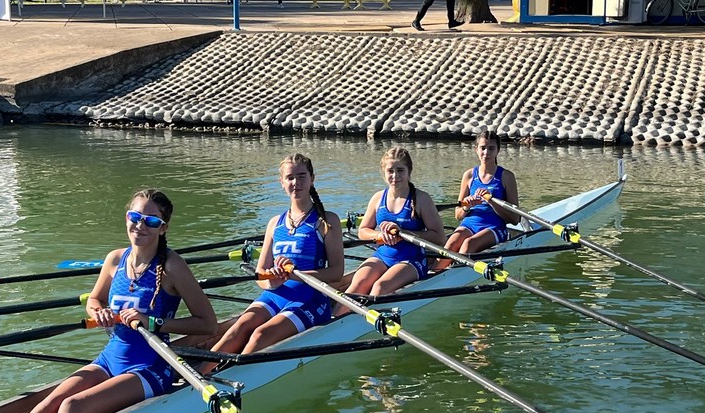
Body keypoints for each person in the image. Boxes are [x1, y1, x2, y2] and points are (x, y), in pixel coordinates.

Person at [10, 189, 222, 413]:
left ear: (163, 228)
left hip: (150, 366)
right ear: (126, 218)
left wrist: (153, 322)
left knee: (73, 406)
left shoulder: (172, 266)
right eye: (136, 216)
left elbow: (208, 324)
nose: (141, 225)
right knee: (50, 404)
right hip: (110, 358)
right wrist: (99, 312)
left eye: (151, 221)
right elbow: (94, 300)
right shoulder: (115, 259)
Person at [207, 154, 344, 357]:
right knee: (237, 330)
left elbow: (337, 273)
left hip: (311, 299)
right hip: (276, 294)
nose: (295, 182)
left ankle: (231, 377)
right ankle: (201, 379)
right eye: (290, 177)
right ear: (282, 182)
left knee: (260, 334)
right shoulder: (274, 223)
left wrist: (295, 275)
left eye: (301, 176)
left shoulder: (327, 221)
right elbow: (261, 275)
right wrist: (273, 279)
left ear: (312, 179)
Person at [340, 148, 445, 314]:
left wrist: (403, 234)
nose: (395, 176)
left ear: (409, 171)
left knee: (380, 287)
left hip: (411, 260)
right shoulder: (377, 198)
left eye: (400, 170)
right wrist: (379, 235)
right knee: (357, 284)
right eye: (390, 171)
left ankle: (362, 325)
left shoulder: (421, 199)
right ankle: (333, 324)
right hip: (382, 255)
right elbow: (363, 231)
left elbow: (439, 237)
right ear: (384, 172)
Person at [438, 132, 520, 269]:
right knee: (451, 244)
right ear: (476, 149)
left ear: (498, 151)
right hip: (469, 224)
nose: (486, 153)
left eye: (491, 148)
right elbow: (458, 215)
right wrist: (466, 206)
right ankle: (434, 276)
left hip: (494, 227)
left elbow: (515, 219)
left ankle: (453, 276)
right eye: (482, 148)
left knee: (468, 244)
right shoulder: (469, 175)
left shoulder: (506, 176)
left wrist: (492, 201)